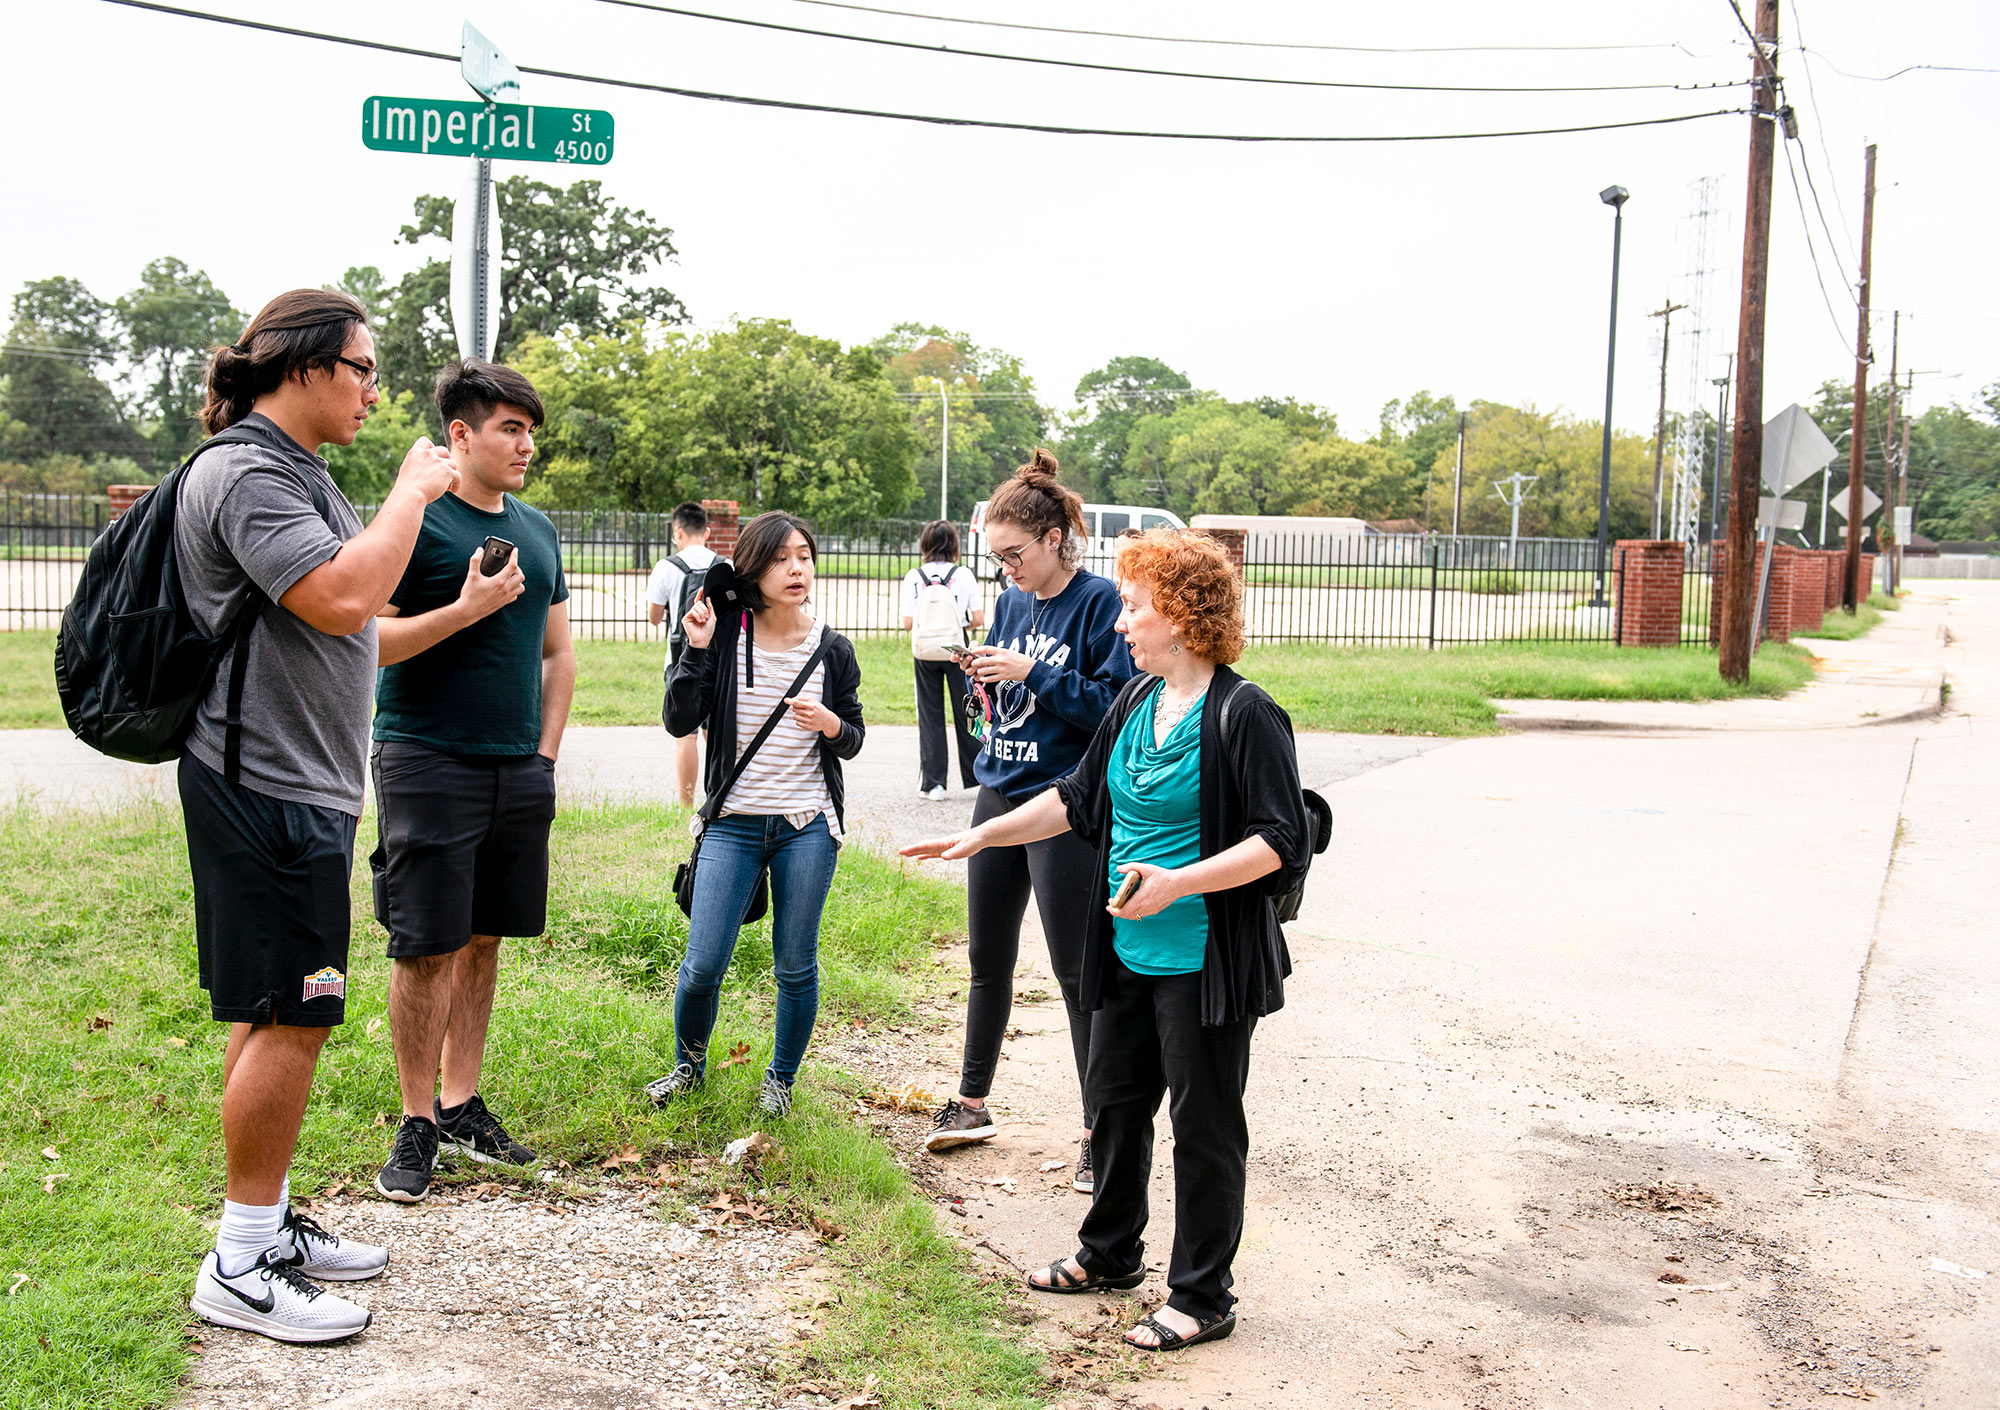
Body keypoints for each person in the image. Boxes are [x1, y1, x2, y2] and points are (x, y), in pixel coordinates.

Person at [903, 528, 1310, 1353]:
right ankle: (1110, 1254)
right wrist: (982, 838)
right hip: (1124, 951)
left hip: (1205, 962)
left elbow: (1281, 838)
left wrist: (1179, 880)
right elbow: (1077, 799)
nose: (1122, 623)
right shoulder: (1134, 702)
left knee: (1204, 1127)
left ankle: (1202, 1296)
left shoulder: (1245, 712)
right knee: (1118, 1109)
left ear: (1185, 616)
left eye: (1135, 608)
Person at [176, 289, 461, 1342]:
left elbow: (356, 632)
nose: (374, 389)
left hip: (305, 783)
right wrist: (410, 495)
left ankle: (268, 1219)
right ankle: (241, 1261)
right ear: (300, 366)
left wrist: (465, 610)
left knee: (271, 1010)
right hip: (263, 785)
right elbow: (344, 598)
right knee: (298, 1011)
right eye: (362, 367)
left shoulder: (296, 477)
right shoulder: (245, 472)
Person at [368, 360, 575, 1203]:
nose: (527, 445)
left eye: (530, 430)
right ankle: (416, 1121)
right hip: (425, 756)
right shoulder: (415, 519)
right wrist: (463, 610)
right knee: (425, 944)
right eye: (510, 429)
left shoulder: (538, 527)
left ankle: (461, 1104)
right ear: (461, 434)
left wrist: (546, 756)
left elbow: (558, 653)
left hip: (517, 766)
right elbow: (365, 639)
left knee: (485, 936)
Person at [920, 450, 1133, 1193]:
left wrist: (1032, 672)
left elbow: (1114, 707)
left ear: (1052, 538)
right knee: (987, 959)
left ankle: (1098, 1130)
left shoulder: (1101, 601)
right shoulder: (1011, 604)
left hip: (1063, 802)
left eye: (1014, 554)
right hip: (1000, 787)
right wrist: (986, 679)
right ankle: (971, 1103)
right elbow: (1013, 704)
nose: (1005, 568)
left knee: (1076, 973)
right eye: (996, 556)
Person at [646, 511, 866, 1116]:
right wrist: (692, 649)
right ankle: (688, 1068)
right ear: (753, 569)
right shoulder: (722, 633)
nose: (796, 569)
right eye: (779, 559)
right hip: (733, 824)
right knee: (702, 964)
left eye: (804, 556)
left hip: (806, 829)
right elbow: (679, 721)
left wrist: (831, 725)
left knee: (795, 964)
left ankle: (781, 1080)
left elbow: (855, 737)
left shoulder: (832, 649)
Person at [899, 519, 984, 800]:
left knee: (930, 715)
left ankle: (934, 784)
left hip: (925, 651)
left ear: (925, 545)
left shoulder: (914, 576)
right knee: (967, 711)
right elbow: (979, 618)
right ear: (953, 545)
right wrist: (958, 625)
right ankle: (977, 777)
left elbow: (908, 622)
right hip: (957, 651)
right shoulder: (964, 575)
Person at [646, 502, 724, 806]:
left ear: (677, 532)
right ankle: (718, 794)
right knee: (715, 732)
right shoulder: (724, 565)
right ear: (706, 531)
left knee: (686, 734)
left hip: (682, 659)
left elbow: (654, 617)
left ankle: (686, 803)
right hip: (718, 660)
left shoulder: (666, 567)